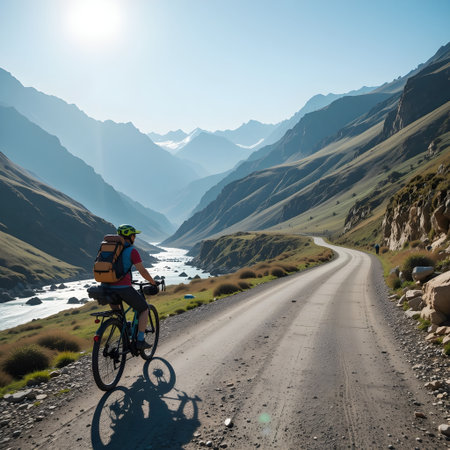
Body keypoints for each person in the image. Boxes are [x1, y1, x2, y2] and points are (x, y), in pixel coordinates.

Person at [106, 224, 157, 350]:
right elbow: (142, 271)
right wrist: (153, 282)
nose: (135, 238)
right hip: (123, 288)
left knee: (119, 315)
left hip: (106, 288)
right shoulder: (132, 251)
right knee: (144, 308)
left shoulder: (109, 248)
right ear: (131, 236)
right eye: (134, 235)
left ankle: (125, 333)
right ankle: (140, 340)